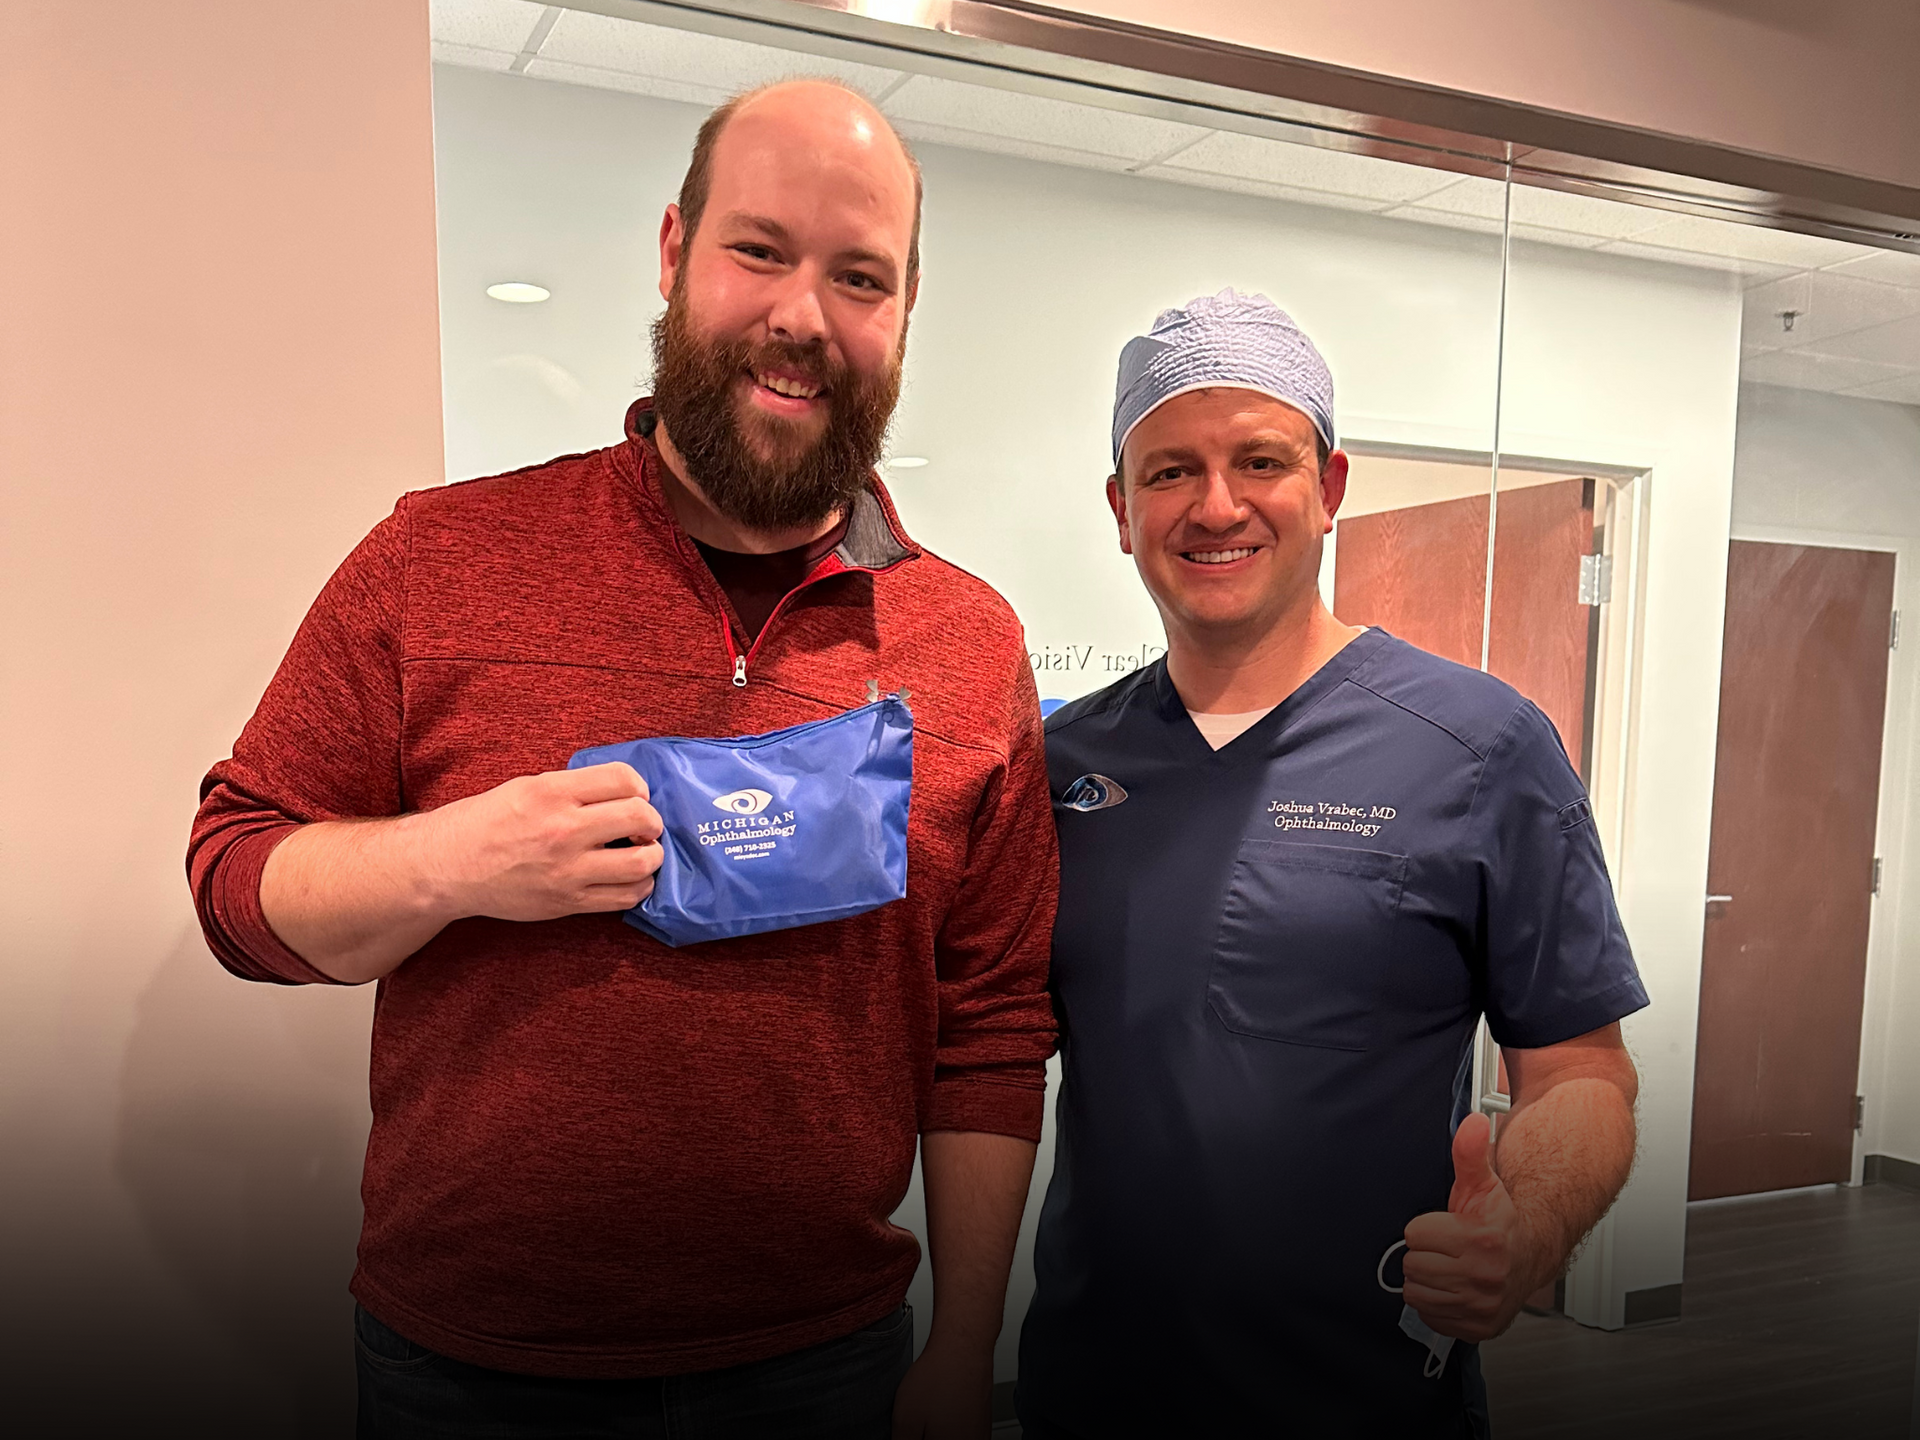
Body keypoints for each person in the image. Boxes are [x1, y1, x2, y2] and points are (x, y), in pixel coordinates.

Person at [187, 80, 1056, 1440]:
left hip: (826, 1368)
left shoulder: (971, 642)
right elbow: (236, 884)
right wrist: (453, 860)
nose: (803, 315)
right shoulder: (438, 560)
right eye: (759, 249)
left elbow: (991, 1026)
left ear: (904, 310)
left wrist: (962, 1348)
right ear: (673, 251)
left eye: (860, 277)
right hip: (468, 1371)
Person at [1015, 289, 1646, 1437]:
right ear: (1121, 509)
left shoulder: (1482, 749)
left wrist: (1527, 1231)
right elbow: (979, 1046)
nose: (1216, 506)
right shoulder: (1066, 766)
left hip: (1369, 1395)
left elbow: (1581, 1073)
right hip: (1093, 1388)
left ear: (1331, 487)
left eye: (1261, 461)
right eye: (1170, 471)